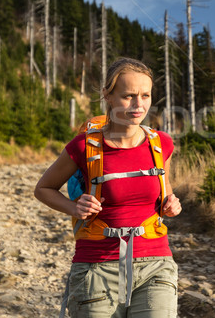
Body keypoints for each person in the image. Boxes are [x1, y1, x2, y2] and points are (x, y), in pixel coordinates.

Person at [35, 57, 182, 318]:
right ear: (108, 96)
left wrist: (172, 204)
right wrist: (74, 206)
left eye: (145, 95)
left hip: (155, 262)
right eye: (129, 96)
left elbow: (165, 193)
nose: (139, 105)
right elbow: (43, 188)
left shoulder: (162, 145)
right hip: (96, 266)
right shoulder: (83, 147)